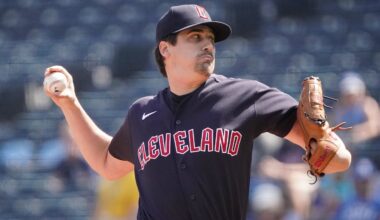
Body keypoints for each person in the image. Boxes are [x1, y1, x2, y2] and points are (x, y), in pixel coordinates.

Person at [43, 4, 351, 220]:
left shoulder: (245, 96)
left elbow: (337, 159)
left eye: (210, 38)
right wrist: (69, 103)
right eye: (195, 37)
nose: (208, 45)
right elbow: (106, 164)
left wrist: (328, 150)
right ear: (166, 49)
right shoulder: (142, 114)